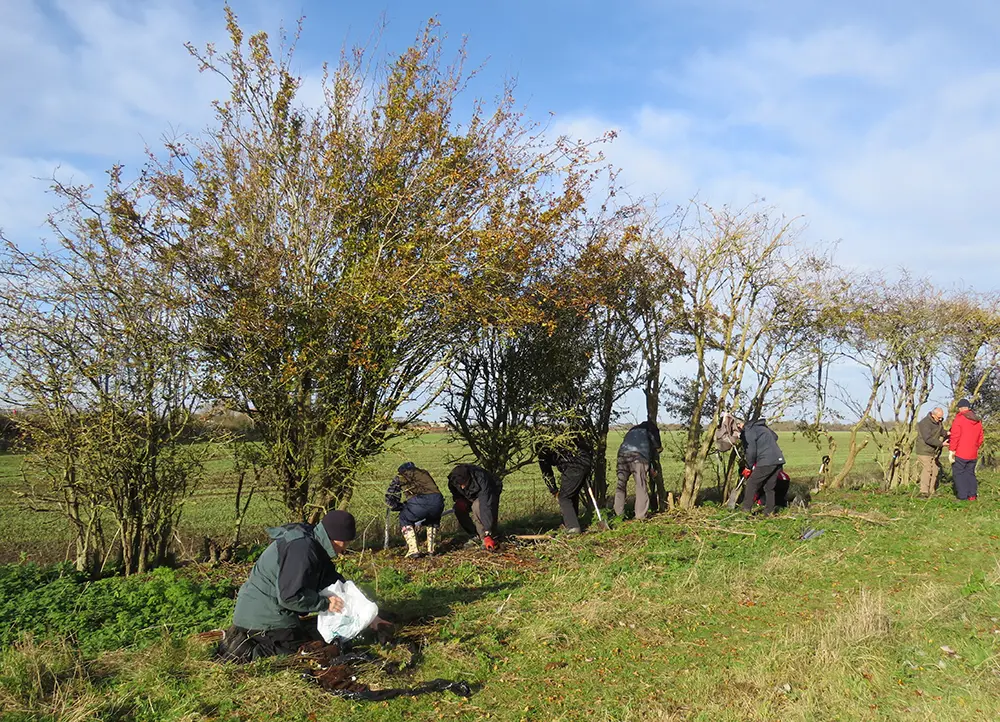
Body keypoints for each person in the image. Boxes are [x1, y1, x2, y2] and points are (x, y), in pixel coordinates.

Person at [218, 510, 387, 662]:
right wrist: (325, 603)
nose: (346, 549)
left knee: (316, 638)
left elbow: (334, 582)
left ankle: (246, 638)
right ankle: (242, 650)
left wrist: (370, 615)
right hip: (263, 617)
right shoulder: (302, 550)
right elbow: (289, 597)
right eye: (347, 543)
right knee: (304, 652)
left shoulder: (314, 543)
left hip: (263, 611)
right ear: (337, 538)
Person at [385, 462, 445, 557]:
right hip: (437, 500)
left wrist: (398, 506)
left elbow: (391, 497)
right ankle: (431, 550)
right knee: (433, 519)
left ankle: (413, 550)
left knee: (404, 518)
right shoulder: (424, 473)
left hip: (419, 502)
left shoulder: (400, 477)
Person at [538, 435, 594, 534]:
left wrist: (554, 490)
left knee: (564, 497)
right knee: (572, 494)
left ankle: (573, 528)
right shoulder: (562, 437)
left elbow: (547, 473)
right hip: (585, 460)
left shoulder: (542, 451)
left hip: (573, 466)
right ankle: (571, 522)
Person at [447, 463, 503, 551]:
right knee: (458, 508)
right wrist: (459, 500)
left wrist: (488, 532)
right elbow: (456, 493)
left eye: (464, 483)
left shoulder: (481, 479)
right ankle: (474, 534)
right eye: (459, 484)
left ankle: (486, 537)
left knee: (477, 507)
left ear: (468, 478)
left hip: (490, 490)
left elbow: (486, 506)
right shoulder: (453, 480)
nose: (462, 486)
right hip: (469, 495)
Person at [614, 421, 662, 520]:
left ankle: (618, 514)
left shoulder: (632, 430)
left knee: (621, 484)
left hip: (622, 456)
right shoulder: (651, 430)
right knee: (640, 485)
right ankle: (641, 516)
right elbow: (656, 448)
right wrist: (653, 467)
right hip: (638, 457)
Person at [739, 417, 786, 515]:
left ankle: (745, 510)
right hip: (778, 459)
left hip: (766, 461)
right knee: (769, 487)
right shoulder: (762, 427)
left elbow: (750, 451)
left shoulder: (749, 431)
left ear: (740, 425)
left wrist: (748, 466)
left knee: (751, 483)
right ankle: (769, 511)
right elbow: (775, 437)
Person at [949, 398, 985, 501]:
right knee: (970, 473)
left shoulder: (959, 419)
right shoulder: (977, 420)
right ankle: (972, 495)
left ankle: (962, 496)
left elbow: (955, 436)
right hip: (973, 453)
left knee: (958, 474)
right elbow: (980, 438)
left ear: (960, 408)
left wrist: (952, 450)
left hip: (961, 452)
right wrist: (974, 447)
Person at [914, 407, 947, 496]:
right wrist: (941, 444)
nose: (940, 419)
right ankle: (923, 491)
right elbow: (928, 439)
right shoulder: (924, 423)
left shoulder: (938, 422)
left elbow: (941, 431)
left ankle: (931, 491)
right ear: (933, 415)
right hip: (923, 450)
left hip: (932, 450)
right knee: (928, 469)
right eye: (938, 417)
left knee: (935, 470)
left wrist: (948, 433)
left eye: (941, 418)